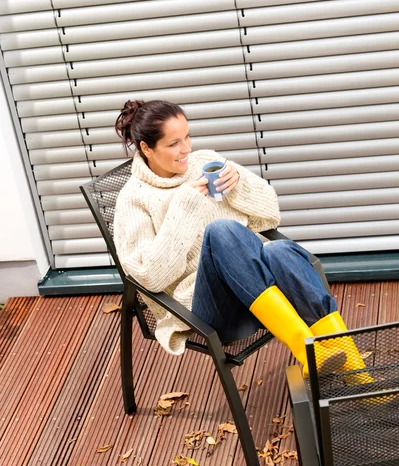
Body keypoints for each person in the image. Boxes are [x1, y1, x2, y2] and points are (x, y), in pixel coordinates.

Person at [114, 99, 371, 382]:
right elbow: (149, 278)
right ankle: (305, 350)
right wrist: (185, 208)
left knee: (281, 250)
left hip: (262, 296)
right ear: (147, 149)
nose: (186, 149)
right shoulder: (134, 199)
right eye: (173, 143)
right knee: (222, 231)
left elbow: (270, 216)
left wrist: (240, 187)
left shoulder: (204, 163)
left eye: (187, 136)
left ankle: (359, 378)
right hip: (211, 313)